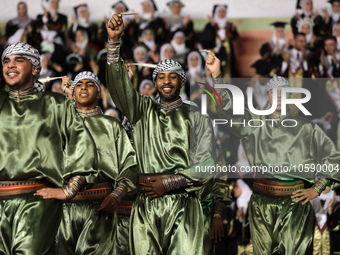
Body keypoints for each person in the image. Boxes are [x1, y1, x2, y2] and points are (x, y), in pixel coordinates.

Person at [106, 14, 219, 254]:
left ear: (181, 82)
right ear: (154, 83)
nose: (166, 81)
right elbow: (119, 89)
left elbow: (208, 164)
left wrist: (169, 183)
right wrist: (114, 43)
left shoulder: (196, 115)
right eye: (161, 77)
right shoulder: (142, 109)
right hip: (146, 205)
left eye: (173, 77)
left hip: (184, 204)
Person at [206, 52, 340, 255]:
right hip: (261, 203)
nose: (279, 97)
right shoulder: (254, 124)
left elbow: (334, 158)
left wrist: (317, 188)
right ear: (267, 96)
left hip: (296, 203)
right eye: (274, 92)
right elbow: (228, 110)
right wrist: (217, 76)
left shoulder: (306, 128)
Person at [0, 42, 97, 254]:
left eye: (19, 60)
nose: (11, 66)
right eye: (6, 61)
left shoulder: (56, 103)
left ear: (35, 69)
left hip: (37, 202)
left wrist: (69, 190)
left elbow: (83, 144)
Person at [37, 71, 137, 254]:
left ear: (98, 94)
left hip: (99, 207)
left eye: (90, 84)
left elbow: (129, 164)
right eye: (79, 85)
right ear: (73, 93)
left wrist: (118, 194)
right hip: (61, 209)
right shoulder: (58, 125)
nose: (83, 87)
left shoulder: (111, 125)